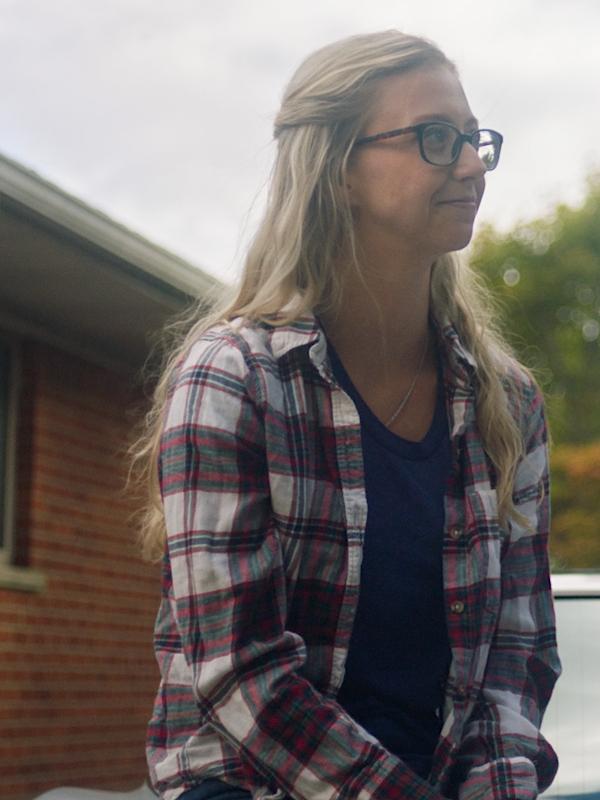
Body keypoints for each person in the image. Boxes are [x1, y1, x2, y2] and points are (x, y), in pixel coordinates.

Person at [136, 30, 561, 800]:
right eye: (437, 138)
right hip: (250, 784)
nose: (471, 165)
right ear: (337, 172)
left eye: (474, 140)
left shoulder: (510, 404)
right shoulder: (233, 378)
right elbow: (241, 675)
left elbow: (518, 661)